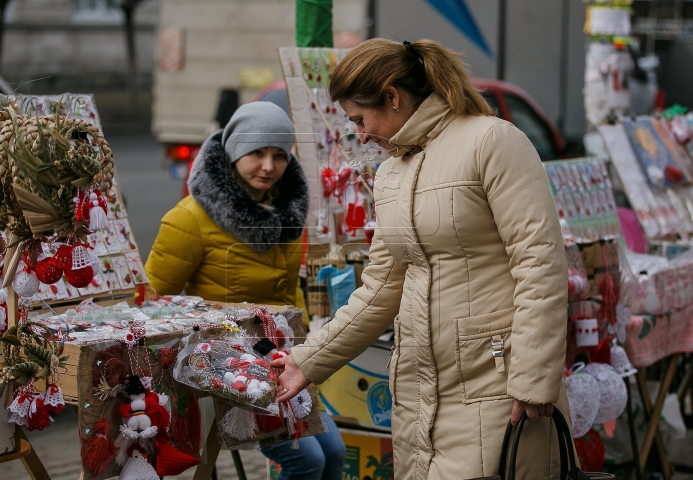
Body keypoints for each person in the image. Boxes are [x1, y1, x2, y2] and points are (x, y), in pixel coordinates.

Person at [274, 39, 572, 479]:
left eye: (360, 118)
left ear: (392, 96)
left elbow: (540, 264)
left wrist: (532, 378)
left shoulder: (493, 141)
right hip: (419, 393)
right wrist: (308, 359)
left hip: (497, 387)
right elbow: (378, 290)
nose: (360, 133)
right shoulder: (392, 172)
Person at [145, 102, 345, 480]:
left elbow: (291, 296)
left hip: (279, 360)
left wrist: (301, 351)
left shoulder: (286, 215)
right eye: (257, 153)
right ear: (235, 152)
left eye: (279, 155)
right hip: (223, 366)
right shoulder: (188, 218)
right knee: (309, 461)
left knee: (335, 452)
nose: (268, 166)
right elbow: (153, 304)